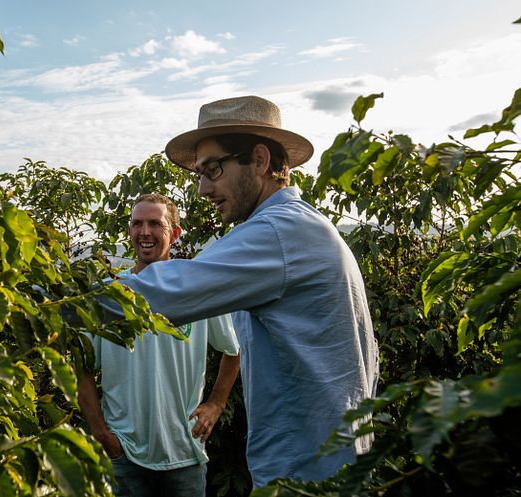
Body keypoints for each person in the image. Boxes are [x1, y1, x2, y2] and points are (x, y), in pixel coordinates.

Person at [100, 96, 379, 488]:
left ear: (260, 161)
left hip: (308, 473)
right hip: (319, 463)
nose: (202, 188)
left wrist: (50, 296)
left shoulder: (277, 233)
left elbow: (165, 293)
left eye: (212, 170)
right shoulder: (297, 226)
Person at [78, 193, 241, 497]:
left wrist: (216, 404)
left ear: (175, 233)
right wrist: (101, 433)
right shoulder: (110, 294)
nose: (145, 232)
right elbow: (82, 366)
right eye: (137, 224)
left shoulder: (196, 288)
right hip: (123, 457)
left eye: (156, 223)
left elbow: (233, 351)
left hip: (184, 454)